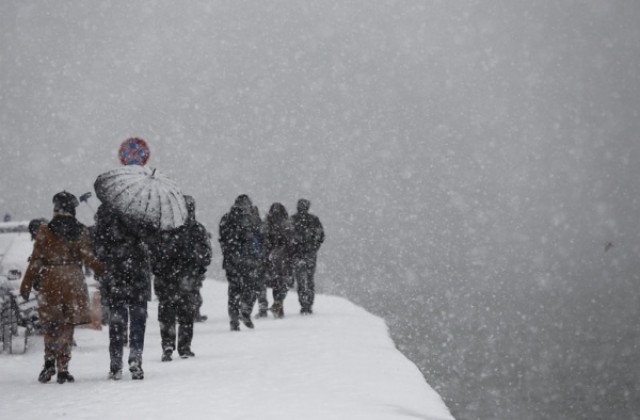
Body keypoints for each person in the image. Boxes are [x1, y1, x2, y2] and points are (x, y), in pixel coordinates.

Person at [20, 192, 105, 384]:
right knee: (68, 325)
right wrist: (104, 270)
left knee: (51, 324)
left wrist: (26, 284)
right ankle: (63, 368)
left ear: (56, 208)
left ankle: (49, 363)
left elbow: (35, 261)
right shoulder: (81, 230)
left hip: (50, 279)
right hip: (73, 280)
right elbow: (88, 257)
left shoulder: (44, 231)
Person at [93, 203, 152, 380]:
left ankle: (116, 364)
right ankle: (135, 359)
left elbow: (98, 248)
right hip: (138, 278)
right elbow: (151, 244)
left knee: (117, 321)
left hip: (115, 277)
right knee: (138, 321)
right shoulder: (140, 214)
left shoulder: (105, 214)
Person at [150, 195, 211, 361]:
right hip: (186, 278)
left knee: (166, 312)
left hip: (165, 277)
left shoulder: (163, 228)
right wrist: (197, 269)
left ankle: (168, 344)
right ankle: (184, 347)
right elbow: (206, 254)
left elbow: (153, 252)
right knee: (185, 313)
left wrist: (158, 269)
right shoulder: (196, 229)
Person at [218, 194, 263, 331]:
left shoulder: (251, 218)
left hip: (245, 259)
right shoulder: (230, 219)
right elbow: (226, 238)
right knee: (241, 289)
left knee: (243, 289)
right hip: (239, 259)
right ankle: (238, 316)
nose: (246, 207)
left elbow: (261, 237)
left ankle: (241, 315)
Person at [291, 199, 325, 315]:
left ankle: (305, 304)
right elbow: (320, 236)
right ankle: (307, 305)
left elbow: (320, 236)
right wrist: (313, 248)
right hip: (307, 254)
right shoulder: (313, 220)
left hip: (300, 254)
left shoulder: (293, 220)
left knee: (302, 280)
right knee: (307, 280)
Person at [263, 202, 295, 318]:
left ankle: (278, 305)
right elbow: (292, 243)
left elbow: (264, 242)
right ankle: (278, 304)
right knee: (282, 283)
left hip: (273, 258)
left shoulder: (267, 224)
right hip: (284, 258)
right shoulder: (287, 225)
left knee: (277, 283)